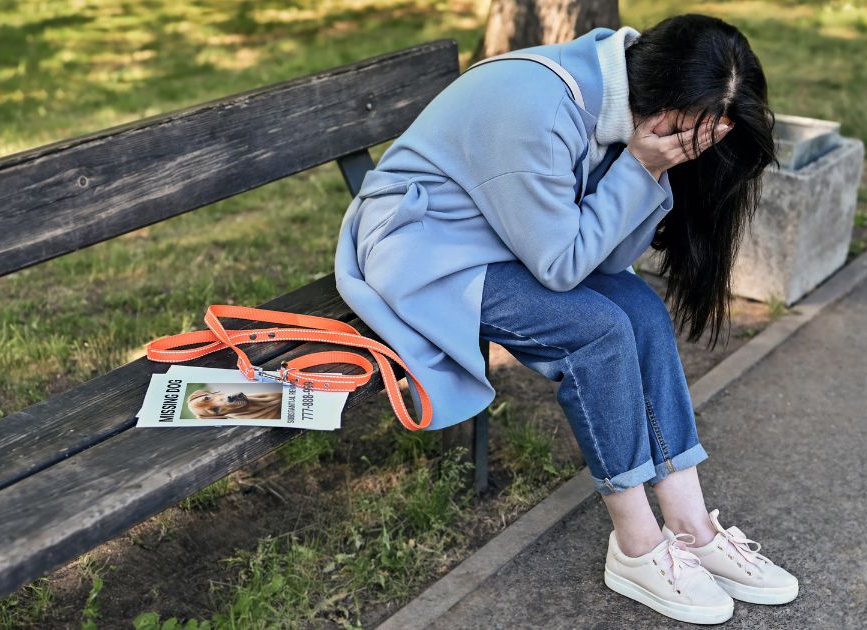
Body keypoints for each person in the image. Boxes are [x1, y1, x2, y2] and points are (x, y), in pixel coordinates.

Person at [334, 12, 797, 624]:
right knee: (597, 332)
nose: (693, 149)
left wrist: (648, 166)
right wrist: (645, 167)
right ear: (654, 97)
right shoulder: (541, 110)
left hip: (504, 239)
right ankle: (635, 547)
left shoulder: (627, 101)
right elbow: (562, 267)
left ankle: (690, 527)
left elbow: (606, 259)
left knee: (641, 311)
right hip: (424, 248)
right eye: (688, 135)